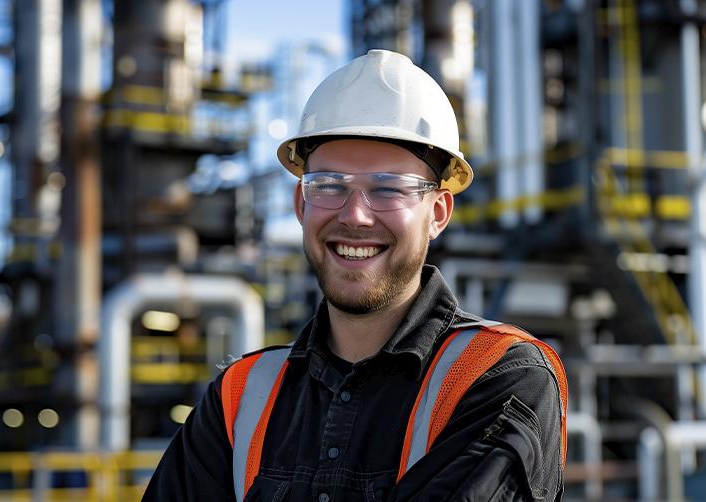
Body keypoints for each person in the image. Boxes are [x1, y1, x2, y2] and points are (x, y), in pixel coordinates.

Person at [145, 49, 567, 501]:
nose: (356, 216)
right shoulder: (239, 397)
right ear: (301, 205)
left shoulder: (498, 377)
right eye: (329, 186)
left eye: (389, 189)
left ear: (438, 213)